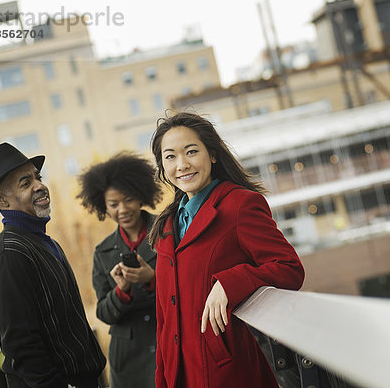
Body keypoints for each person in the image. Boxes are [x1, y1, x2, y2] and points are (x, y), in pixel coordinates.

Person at [148, 112, 305, 388]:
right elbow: (164, 320)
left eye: (191, 151)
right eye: (170, 156)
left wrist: (229, 282)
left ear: (212, 155)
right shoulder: (167, 226)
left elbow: (289, 268)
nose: (182, 164)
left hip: (226, 374)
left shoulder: (240, 205)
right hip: (178, 376)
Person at [0, 142, 106, 388]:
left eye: (38, 177)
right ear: (2, 200)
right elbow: (22, 346)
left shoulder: (44, 242)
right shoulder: (10, 254)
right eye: (25, 183)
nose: (39, 185)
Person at [76, 152, 162, 388]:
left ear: (141, 196)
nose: (122, 209)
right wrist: (121, 292)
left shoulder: (169, 229)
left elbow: (191, 285)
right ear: (103, 206)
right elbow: (103, 313)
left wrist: (153, 279)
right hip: (129, 361)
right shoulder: (102, 252)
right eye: (113, 204)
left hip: (170, 342)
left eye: (128, 200)